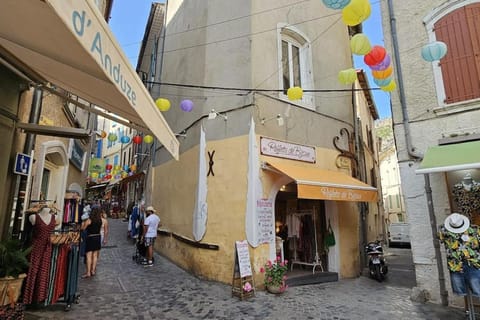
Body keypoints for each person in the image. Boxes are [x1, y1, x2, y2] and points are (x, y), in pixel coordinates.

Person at [81, 206, 103, 278]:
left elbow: (83, 228)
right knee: (95, 255)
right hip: (98, 237)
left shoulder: (89, 220)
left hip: (90, 237)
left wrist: (83, 224)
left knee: (89, 256)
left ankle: (88, 272)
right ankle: (93, 270)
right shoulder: (100, 220)